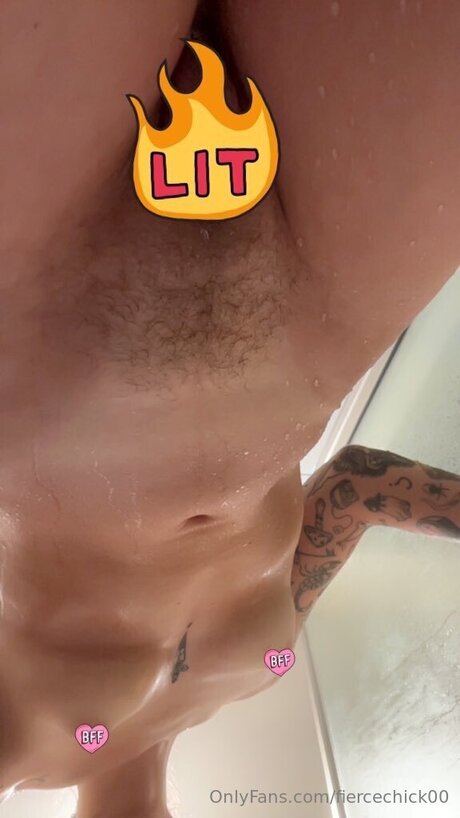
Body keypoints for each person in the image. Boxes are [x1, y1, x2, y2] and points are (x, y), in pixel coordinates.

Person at [1, 1, 460, 816]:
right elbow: (354, 486)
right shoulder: (259, 675)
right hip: (319, 316)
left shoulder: (32, 761)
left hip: (37, 339)